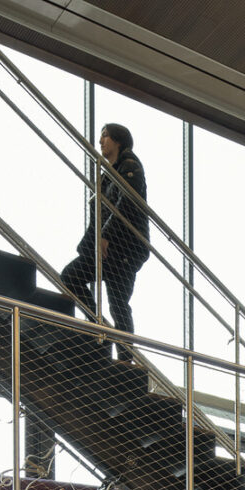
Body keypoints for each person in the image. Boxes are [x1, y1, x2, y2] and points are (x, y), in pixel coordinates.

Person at [48, 122, 150, 347]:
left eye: (105, 136)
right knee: (70, 276)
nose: (101, 141)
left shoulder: (131, 166)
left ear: (118, 140)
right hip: (107, 248)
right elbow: (98, 216)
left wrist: (105, 235)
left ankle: (126, 360)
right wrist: (87, 246)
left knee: (118, 303)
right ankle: (99, 324)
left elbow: (127, 204)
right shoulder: (105, 177)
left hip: (125, 248)